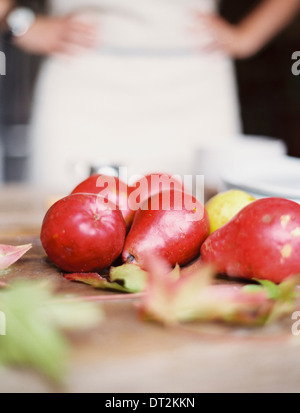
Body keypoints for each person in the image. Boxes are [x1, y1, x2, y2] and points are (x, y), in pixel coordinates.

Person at [0, 0, 299, 191]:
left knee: (201, 233)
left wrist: (247, 37)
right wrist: (20, 24)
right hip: (83, 79)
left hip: (197, 86)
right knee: (64, 230)